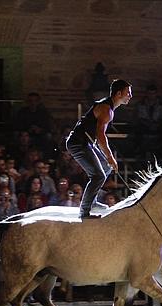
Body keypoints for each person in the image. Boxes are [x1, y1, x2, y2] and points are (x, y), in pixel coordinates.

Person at [65, 79, 131, 219]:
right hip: (78, 143)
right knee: (98, 175)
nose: (130, 96)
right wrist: (110, 157)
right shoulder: (106, 109)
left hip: (86, 142)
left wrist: (108, 159)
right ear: (119, 93)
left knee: (106, 168)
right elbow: (101, 136)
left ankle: (92, 202)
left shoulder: (109, 108)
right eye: (128, 93)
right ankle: (85, 211)